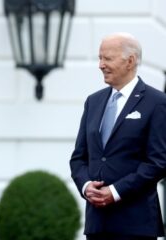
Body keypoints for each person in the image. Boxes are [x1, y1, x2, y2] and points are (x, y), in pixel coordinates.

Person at [69, 32, 166, 240]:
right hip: (97, 224)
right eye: (99, 58)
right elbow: (78, 158)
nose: (101, 65)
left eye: (107, 58)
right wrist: (87, 187)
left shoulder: (157, 102)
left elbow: (158, 161)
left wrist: (115, 191)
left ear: (130, 61)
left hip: (136, 225)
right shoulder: (93, 102)